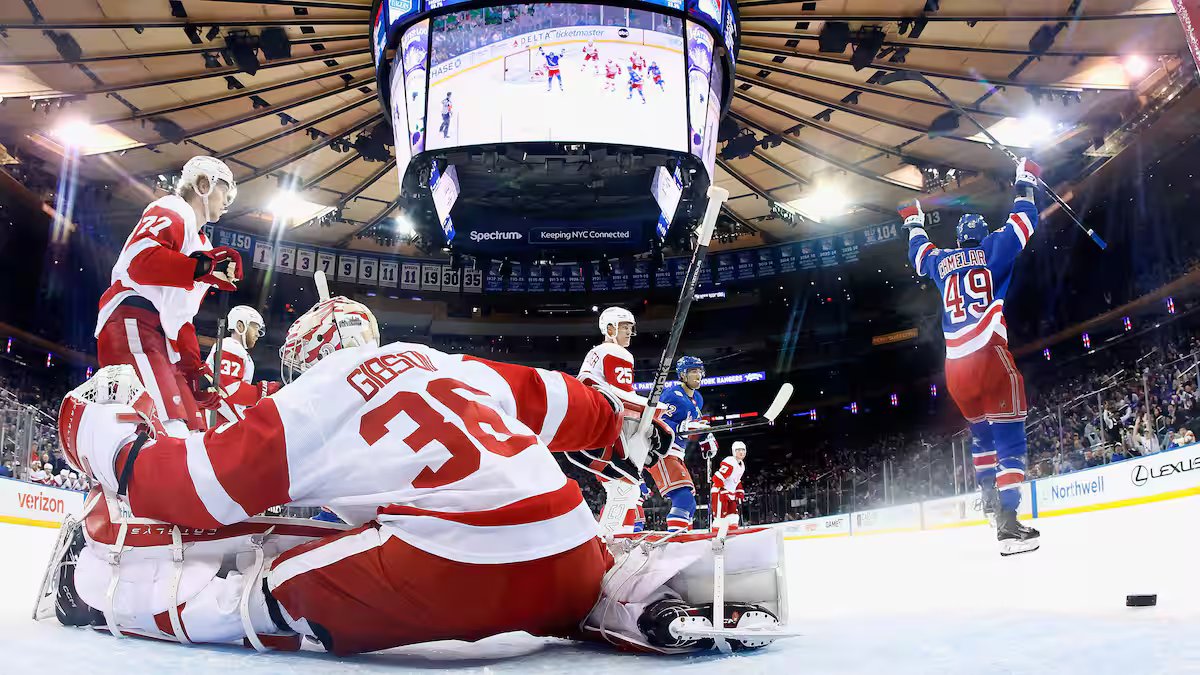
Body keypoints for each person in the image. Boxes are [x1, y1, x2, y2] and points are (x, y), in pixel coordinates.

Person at [50, 297, 784, 655]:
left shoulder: (305, 397)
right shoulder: (446, 364)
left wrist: (107, 443)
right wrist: (627, 423)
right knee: (513, 543)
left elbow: (198, 488)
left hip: (454, 563)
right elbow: (561, 400)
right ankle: (618, 589)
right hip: (567, 538)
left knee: (273, 583)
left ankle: (98, 593)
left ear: (303, 359)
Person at [902, 157, 1042, 556]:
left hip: (955, 367)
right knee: (1010, 440)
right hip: (988, 355)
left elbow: (918, 251)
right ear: (981, 234)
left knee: (981, 435)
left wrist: (913, 220)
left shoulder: (942, 262)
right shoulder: (993, 249)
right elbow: (1024, 220)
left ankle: (987, 498)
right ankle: (1008, 523)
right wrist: (1025, 180)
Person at [93, 155, 243, 436]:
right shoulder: (173, 207)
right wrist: (203, 267)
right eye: (226, 190)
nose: (228, 202)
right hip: (133, 319)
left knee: (192, 434)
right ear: (203, 184)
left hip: (159, 336)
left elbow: (180, 319)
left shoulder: (202, 244)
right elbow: (142, 262)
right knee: (166, 431)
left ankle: (112, 474)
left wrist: (194, 371)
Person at [577, 306, 649, 533]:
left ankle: (616, 538)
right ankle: (605, 541)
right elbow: (621, 394)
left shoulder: (595, 352)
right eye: (624, 328)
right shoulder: (616, 352)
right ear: (610, 329)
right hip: (609, 427)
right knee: (623, 490)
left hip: (592, 427)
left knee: (625, 489)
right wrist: (650, 407)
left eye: (630, 328)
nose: (629, 332)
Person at [655, 356, 718, 531]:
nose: (698, 375)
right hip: (663, 452)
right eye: (693, 371)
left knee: (689, 503)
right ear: (683, 374)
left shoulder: (698, 398)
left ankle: (682, 540)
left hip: (677, 453)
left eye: (699, 371)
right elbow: (657, 422)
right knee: (684, 499)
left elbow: (693, 428)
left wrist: (705, 437)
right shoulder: (671, 395)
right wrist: (683, 426)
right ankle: (675, 544)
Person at [205, 305, 281, 425]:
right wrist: (263, 392)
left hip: (223, 419)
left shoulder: (235, 349)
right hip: (218, 420)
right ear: (240, 326)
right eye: (255, 328)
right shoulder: (230, 346)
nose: (257, 334)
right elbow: (230, 389)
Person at [710, 441, 747, 532]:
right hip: (720, 493)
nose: (741, 452)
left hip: (730, 494)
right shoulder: (730, 462)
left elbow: (736, 480)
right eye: (738, 450)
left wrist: (739, 491)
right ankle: (716, 537)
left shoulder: (742, 465)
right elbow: (717, 478)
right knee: (720, 517)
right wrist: (722, 489)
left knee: (733, 516)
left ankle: (732, 536)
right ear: (734, 451)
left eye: (743, 450)